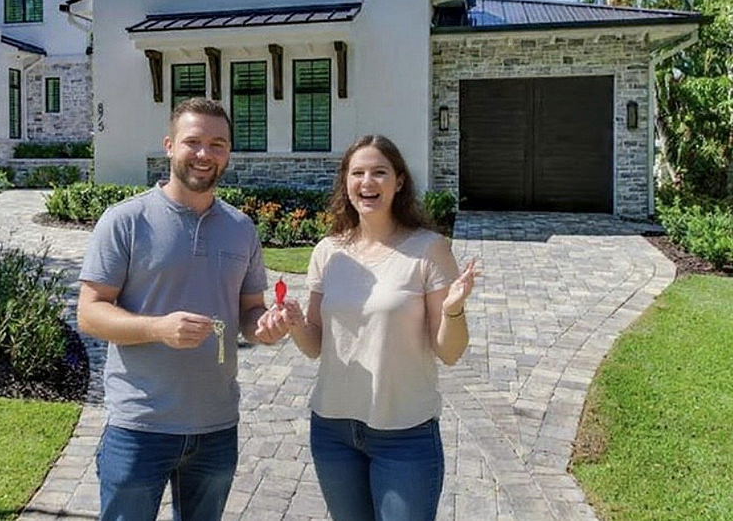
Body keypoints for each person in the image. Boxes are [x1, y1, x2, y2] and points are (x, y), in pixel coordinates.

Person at [77, 97, 291, 521]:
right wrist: (158, 329)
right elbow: (90, 312)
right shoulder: (126, 221)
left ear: (228, 152)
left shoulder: (241, 228)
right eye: (193, 142)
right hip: (140, 425)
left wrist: (266, 326)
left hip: (216, 426)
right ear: (170, 146)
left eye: (217, 144)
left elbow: (250, 311)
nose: (204, 154)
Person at [282, 134, 478, 521]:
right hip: (333, 430)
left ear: (399, 181)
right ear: (346, 181)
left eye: (379, 172)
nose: (367, 182)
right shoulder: (328, 252)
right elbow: (315, 344)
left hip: (405, 434)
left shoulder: (429, 249)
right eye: (357, 173)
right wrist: (294, 322)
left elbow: (450, 352)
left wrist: (453, 310)